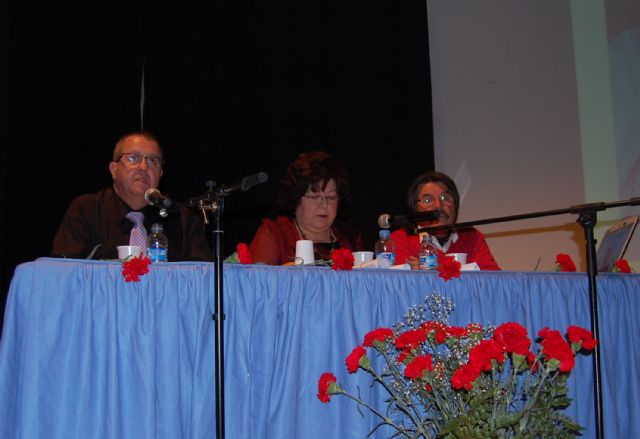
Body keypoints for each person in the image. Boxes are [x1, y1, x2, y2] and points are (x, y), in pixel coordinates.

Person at [51, 131, 212, 261]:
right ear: (114, 169)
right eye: (134, 158)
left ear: (161, 173)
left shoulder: (183, 220)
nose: (143, 167)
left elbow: (201, 281)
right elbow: (62, 273)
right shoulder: (86, 210)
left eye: (152, 161)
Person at [249, 151, 363, 265]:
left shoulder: (350, 237)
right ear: (296, 198)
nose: (324, 205)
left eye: (331, 197)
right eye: (314, 196)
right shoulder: (275, 234)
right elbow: (258, 279)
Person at [391, 171, 500, 270]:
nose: (438, 206)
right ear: (414, 208)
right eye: (428, 200)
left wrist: (434, 269)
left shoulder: (472, 236)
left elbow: (493, 279)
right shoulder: (400, 239)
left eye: (445, 198)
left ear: (455, 205)